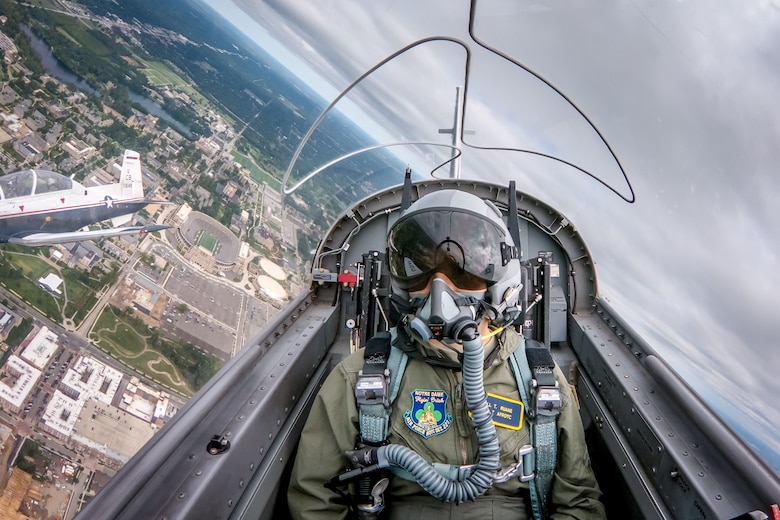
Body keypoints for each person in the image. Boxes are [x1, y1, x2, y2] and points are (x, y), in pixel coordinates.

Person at [288, 189, 605, 519]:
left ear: (502, 281)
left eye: (462, 270)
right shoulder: (361, 376)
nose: (439, 291)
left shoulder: (538, 379)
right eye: (421, 269)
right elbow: (315, 499)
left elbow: (579, 503)